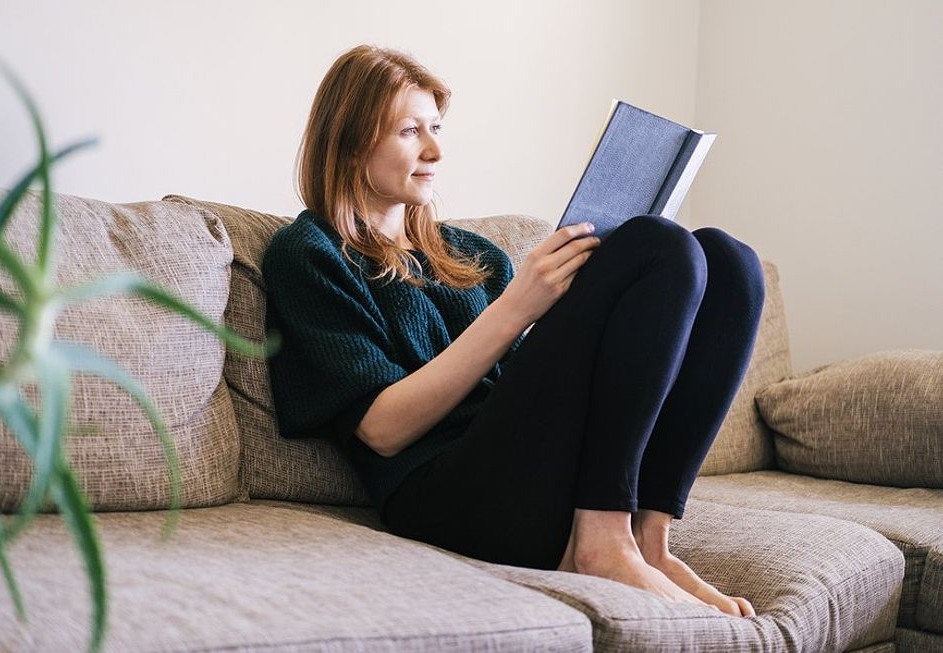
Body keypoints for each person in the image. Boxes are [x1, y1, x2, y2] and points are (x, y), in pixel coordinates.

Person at [263, 44, 765, 619]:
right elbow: (380, 431)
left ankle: (647, 539)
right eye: (409, 131)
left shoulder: (471, 256)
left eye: (435, 128)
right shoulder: (309, 255)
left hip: (538, 476)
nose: (435, 150)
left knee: (731, 262)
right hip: (453, 497)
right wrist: (514, 310)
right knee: (659, 244)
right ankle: (600, 543)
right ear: (351, 142)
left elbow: (542, 390)